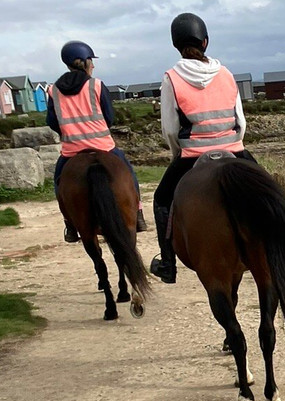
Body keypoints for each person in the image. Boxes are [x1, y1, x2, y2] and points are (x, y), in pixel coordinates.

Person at [150, 12, 254, 284]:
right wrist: (235, 143)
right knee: (270, 190)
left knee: (161, 201)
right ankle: (279, 243)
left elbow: (171, 129)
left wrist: (178, 154)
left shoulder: (171, 78)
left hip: (193, 154)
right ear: (206, 42)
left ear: (176, 45)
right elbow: (240, 121)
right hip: (234, 149)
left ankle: (168, 265)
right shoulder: (226, 73)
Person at [47, 41, 147, 243]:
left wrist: (69, 132)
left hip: (71, 151)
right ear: (84, 62)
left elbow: (51, 121)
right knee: (128, 173)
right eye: (91, 61)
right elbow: (109, 117)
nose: (93, 65)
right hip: (104, 146)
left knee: (59, 181)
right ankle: (137, 214)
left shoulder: (54, 90)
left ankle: (69, 224)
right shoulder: (96, 85)